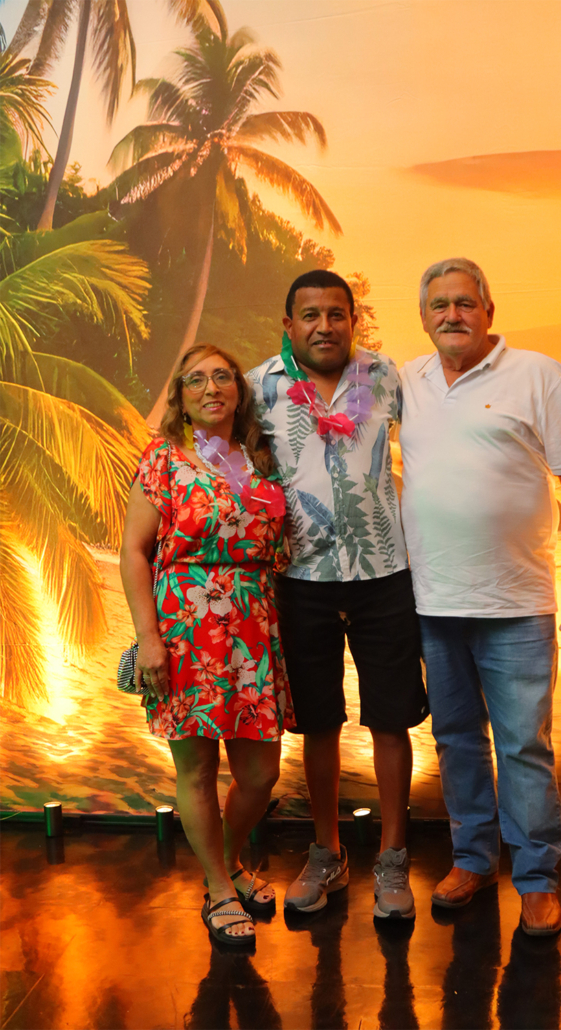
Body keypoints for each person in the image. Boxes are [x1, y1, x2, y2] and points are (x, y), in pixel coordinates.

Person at [400, 258, 561, 935]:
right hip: (433, 603)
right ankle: (471, 860)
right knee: (455, 740)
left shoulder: (538, 374)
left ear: (489, 310)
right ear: (422, 316)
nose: (451, 314)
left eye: (464, 302)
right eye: (438, 305)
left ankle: (537, 879)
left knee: (523, 747)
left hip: (517, 604)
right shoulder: (407, 382)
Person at [248, 270, 427, 920]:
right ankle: (326, 852)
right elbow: (229, 467)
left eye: (335, 314)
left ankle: (393, 858)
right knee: (318, 723)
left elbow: (431, 452)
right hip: (301, 582)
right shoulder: (257, 387)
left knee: (391, 720)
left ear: (353, 319)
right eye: (310, 315)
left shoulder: (385, 376)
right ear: (288, 324)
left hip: (385, 574)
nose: (324, 326)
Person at [120, 343, 294, 946]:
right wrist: (148, 639)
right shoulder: (165, 458)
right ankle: (220, 885)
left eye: (222, 377)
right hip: (185, 628)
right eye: (195, 380)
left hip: (253, 627)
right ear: (181, 398)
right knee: (196, 769)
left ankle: (229, 859)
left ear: (239, 392)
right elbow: (133, 552)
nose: (211, 388)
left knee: (261, 774)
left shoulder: (262, 458)